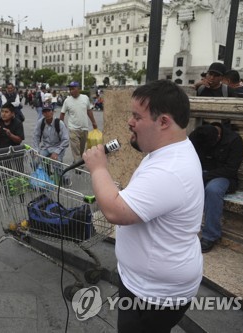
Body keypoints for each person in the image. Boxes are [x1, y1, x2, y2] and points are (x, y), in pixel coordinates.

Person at [82, 80, 204, 333]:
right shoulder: (167, 151)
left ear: (163, 122)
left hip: (154, 295)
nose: (129, 122)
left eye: (137, 116)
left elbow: (116, 211)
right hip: (147, 286)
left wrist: (99, 168)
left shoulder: (170, 169)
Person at [189, 123, 243, 253]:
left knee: (212, 190)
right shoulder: (200, 136)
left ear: (218, 136)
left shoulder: (234, 140)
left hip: (223, 176)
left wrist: (205, 176)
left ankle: (210, 235)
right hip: (202, 172)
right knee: (182, 184)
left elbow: (230, 169)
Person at [60, 81, 98, 163]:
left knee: (81, 149)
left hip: (84, 128)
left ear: (79, 89)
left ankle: (77, 161)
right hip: (73, 128)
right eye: (70, 89)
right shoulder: (67, 101)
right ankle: (78, 165)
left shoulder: (85, 98)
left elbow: (89, 111)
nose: (71, 91)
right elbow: (62, 113)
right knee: (75, 149)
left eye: (73, 89)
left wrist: (94, 122)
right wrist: (61, 126)